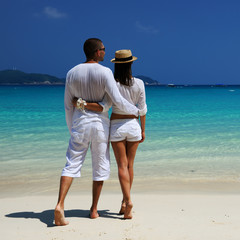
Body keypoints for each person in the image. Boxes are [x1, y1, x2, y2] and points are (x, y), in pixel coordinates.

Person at [54, 39, 139, 226]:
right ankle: (93, 210)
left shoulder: (72, 73)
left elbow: (69, 106)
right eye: (103, 49)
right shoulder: (105, 72)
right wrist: (136, 111)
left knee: (71, 164)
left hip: (79, 123)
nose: (104, 52)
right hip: (100, 126)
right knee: (100, 167)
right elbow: (116, 100)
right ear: (96, 52)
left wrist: (71, 128)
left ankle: (60, 205)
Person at [73, 49, 147, 219]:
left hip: (116, 126)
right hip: (133, 125)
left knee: (121, 165)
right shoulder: (140, 83)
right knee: (130, 166)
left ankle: (127, 201)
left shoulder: (111, 82)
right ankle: (124, 201)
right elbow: (142, 109)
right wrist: (143, 129)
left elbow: (104, 105)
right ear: (131, 64)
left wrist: (80, 103)